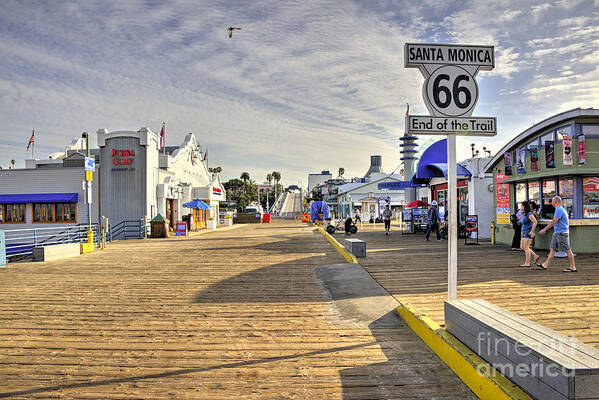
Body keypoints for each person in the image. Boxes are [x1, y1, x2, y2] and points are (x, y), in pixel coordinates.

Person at [537, 196, 577, 272]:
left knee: (568, 250)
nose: (551, 203)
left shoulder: (559, 210)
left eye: (552, 201)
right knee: (552, 249)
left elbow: (554, 221)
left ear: (556, 202)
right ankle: (545, 264)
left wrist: (545, 229)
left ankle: (573, 267)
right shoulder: (560, 209)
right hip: (557, 233)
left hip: (561, 233)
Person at [518, 201, 539, 267]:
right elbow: (522, 221)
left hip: (528, 232)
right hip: (524, 232)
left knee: (526, 247)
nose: (521, 207)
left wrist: (532, 231)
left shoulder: (529, 214)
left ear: (525, 206)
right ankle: (535, 256)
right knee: (522, 247)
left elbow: (535, 222)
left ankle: (527, 263)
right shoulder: (524, 214)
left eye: (522, 206)